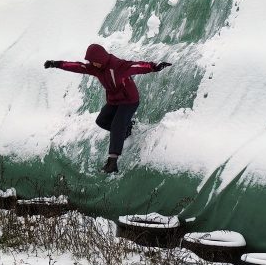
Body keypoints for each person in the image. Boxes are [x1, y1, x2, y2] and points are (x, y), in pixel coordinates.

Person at [44, 44, 171, 174]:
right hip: (114, 101)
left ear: (100, 58)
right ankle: (127, 129)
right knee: (101, 121)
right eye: (91, 62)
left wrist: (154, 66)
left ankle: (112, 162)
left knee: (116, 126)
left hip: (129, 100)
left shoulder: (117, 66)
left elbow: (136, 66)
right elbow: (78, 66)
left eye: (94, 61)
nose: (92, 64)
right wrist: (56, 64)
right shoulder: (96, 68)